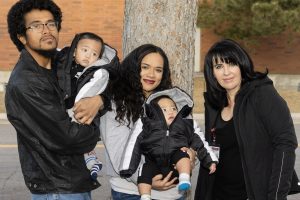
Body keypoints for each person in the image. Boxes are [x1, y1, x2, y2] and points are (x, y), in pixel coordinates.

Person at [5, 1, 102, 199]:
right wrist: (97, 127)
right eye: (37, 25)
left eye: (51, 23)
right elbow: (69, 137)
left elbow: (107, 66)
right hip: (57, 188)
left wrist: (100, 99)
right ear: (22, 37)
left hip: (73, 182)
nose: (47, 30)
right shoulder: (26, 83)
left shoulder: (63, 64)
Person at [99, 44, 217, 200]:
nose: (151, 74)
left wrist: (191, 154)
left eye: (158, 70)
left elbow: (189, 137)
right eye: (145, 67)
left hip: (174, 194)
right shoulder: (116, 104)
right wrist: (145, 179)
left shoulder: (173, 101)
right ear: (134, 68)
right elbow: (118, 151)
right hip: (132, 192)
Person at [194, 39, 300, 200]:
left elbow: (286, 144)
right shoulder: (213, 104)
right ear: (212, 73)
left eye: (231, 64)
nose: (226, 72)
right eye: (219, 67)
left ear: (242, 64)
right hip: (216, 193)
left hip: (254, 194)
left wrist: (276, 196)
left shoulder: (262, 94)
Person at [119, 87, 217, 200]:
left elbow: (201, 142)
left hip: (175, 165)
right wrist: (127, 168)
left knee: (183, 155)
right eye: (164, 110)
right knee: (144, 170)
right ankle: (145, 196)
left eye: (174, 108)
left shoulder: (186, 124)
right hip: (153, 163)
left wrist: (210, 160)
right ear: (155, 112)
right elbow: (133, 144)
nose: (171, 111)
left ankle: (184, 179)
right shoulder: (146, 124)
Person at [55, 32, 119, 180]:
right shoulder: (63, 65)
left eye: (94, 53)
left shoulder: (97, 72)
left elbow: (92, 90)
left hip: (81, 111)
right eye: (85, 50)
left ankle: (90, 158)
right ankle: (90, 158)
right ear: (75, 50)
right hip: (63, 110)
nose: (88, 56)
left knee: (78, 134)